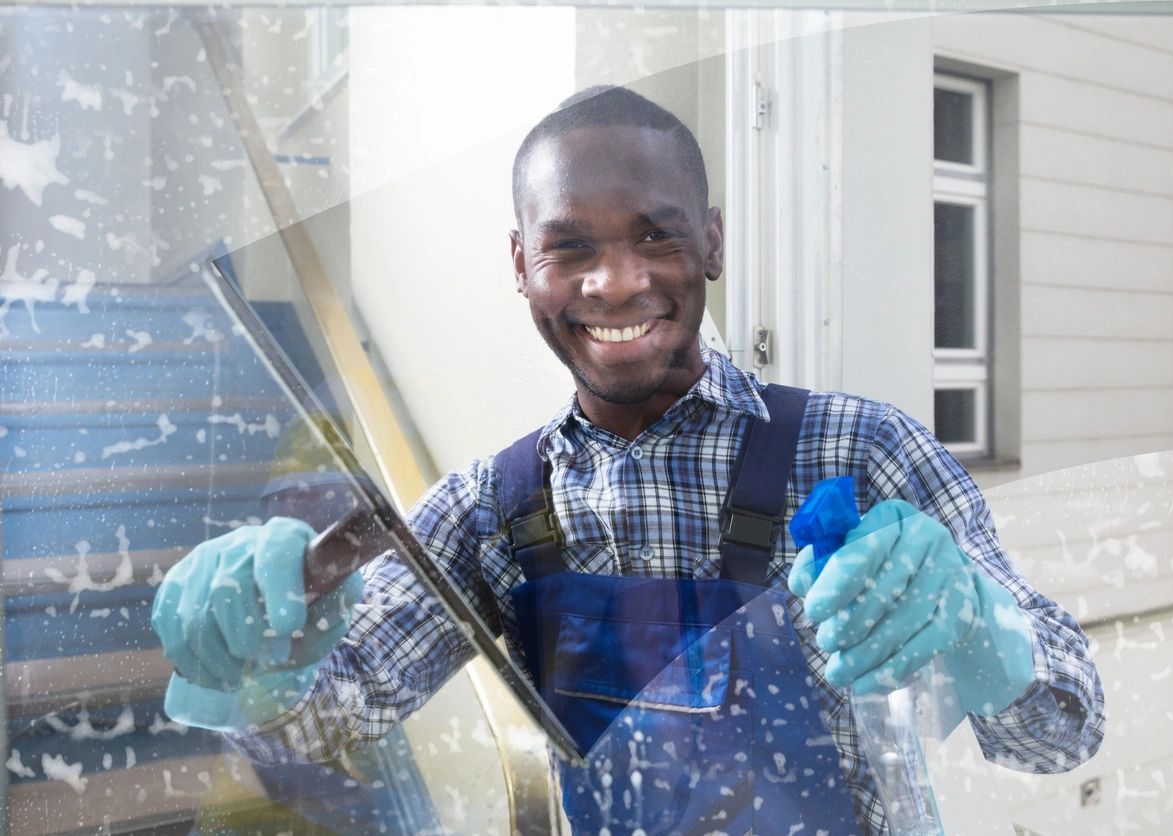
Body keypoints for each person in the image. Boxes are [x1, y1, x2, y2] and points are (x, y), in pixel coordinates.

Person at [152, 86, 1105, 834]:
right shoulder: (492, 509)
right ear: (522, 266)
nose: (618, 281)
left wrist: (980, 632)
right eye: (572, 249)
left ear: (713, 243)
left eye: (657, 234)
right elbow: (331, 724)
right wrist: (259, 649)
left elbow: (1066, 729)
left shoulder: (861, 450)